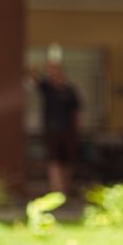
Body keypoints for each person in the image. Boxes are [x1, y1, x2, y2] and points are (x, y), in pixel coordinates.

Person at [35, 61, 80, 194]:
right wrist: (42, 67)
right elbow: (30, 74)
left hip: (67, 130)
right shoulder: (46, 88)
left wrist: (76, 129)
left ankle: (65, 188)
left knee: (67, 161)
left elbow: (76, 110)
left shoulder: (69, 90)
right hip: (51, 130)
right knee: (53, 160)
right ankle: (57, 188)